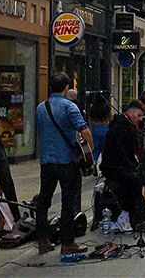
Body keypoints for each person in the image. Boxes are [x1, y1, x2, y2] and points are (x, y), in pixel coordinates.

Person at [35, 72, 93, 255]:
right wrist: (89, 154)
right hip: (66, 161)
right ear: (66, 87)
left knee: (44, 201)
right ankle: (67, 243)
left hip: (46, 161)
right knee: (68, 202)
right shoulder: (70, 106)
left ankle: (43, 241)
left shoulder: (40, 107)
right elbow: (85, 131)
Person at [100, 99, 145, 231]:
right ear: (130, 113)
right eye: (138, 116)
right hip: (113, 167)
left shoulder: (131, 128)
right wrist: (132, 167)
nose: (140, 119)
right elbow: (120, 153)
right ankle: (126, 216)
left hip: (125, 165)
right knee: (135, 181)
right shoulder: (119, 128)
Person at [87, 94, 112, 162]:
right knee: (105, 149)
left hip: (95, 129)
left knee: (95, 150)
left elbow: (90, 120)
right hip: (105, 129)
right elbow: (110, 119)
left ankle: (94, 163)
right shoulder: (107, 108)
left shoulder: (93, 108)